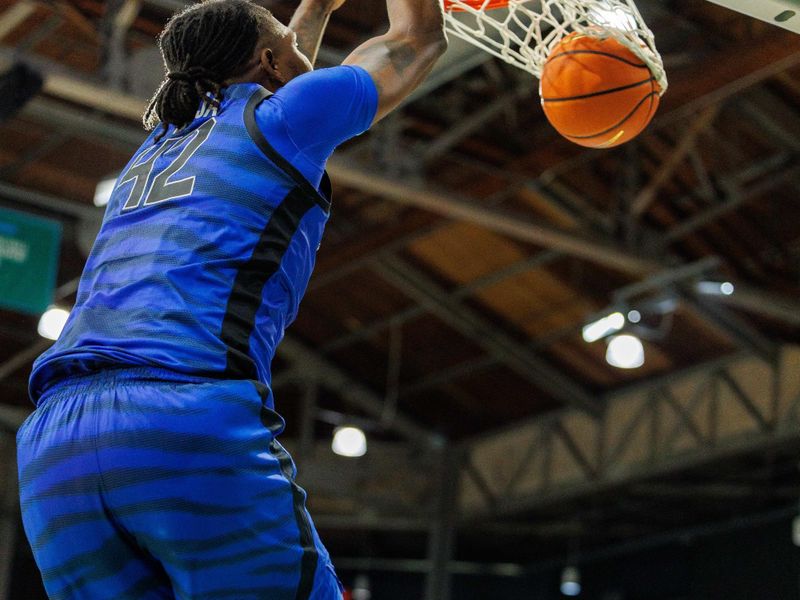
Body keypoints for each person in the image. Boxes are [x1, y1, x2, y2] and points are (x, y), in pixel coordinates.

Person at [15, 0, 447, 597]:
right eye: (294, 54)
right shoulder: (284, 118)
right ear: (270, 65)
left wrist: (316, 8)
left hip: (53, 448)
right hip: (177, 419)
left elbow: (283, 70)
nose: (305, 60)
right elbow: (416, 39)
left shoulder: (160, 143)